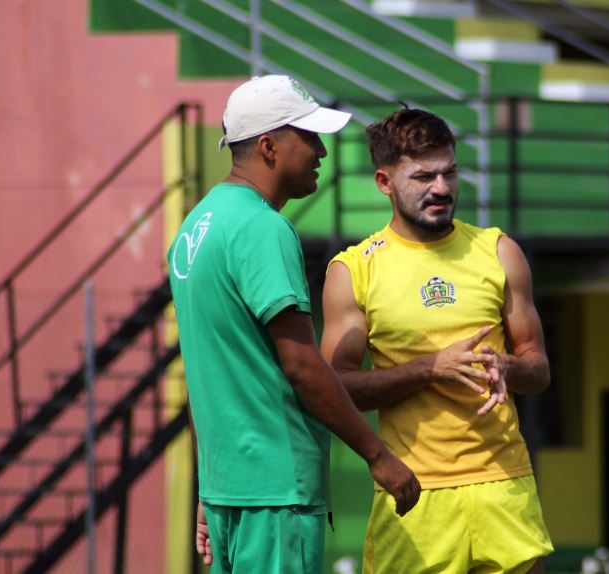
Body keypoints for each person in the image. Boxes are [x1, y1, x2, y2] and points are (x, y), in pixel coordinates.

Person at [168, 75, 420, 573]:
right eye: (308, 137)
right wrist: (378, 456)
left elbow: (204, 375)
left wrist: (208, 483)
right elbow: (303, 366)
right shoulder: (263, 228)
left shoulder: (194, 226)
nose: (321, 151)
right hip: (276, 489)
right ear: (268, 146)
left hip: (229, 490)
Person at [321, 108, 554, 573]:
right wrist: (429, 369)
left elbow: (540, 369)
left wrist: (508, 366)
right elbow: (333, 387)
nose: (442, 189)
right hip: (414, 491)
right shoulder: (354, 270)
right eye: (424, 176)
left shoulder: (499, 251)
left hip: (504, 483)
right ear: (384, 182)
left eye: (449, 172)